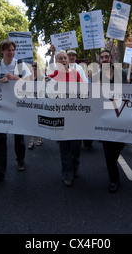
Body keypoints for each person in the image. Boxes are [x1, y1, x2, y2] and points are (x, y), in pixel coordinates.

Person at [0, 40, 31, 187]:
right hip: (1, 107)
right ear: (2, 51)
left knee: (19, 136)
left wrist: (15, 78)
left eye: (12, 50)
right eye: (8, 50)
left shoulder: (20, 65)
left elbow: (28, 81)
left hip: (18, 105)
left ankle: (20, 159)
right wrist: (1, 81)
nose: (11, 53)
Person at [93, 49, 127, 193]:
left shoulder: (121, 73)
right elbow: (93, 98)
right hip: (105, 118)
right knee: (108, 152)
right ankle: (114, 180)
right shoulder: (97, 76)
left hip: (120, 117)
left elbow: (130, 92)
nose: (104, 59)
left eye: (107, 57)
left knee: (118, 147)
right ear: (100, 61)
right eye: (102, 58)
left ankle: (113, 165)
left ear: (111, 59)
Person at [47, 50, 83, 187]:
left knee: (76, 145)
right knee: (64, 146)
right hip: (60, 116)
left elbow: (84, 92)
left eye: (65, 58)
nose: (63, 60)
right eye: (60, 58)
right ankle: (67, 173)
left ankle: (76, 164)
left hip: (75, 116)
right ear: (56, 62)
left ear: (68, 60)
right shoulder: (52, 76)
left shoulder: (76, 74)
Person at [28, 61, 43, 149]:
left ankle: (39, 138)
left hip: (39, 101)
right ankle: (31, 141)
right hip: (29, 102)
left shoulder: (41, 77)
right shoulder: (27, 77)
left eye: (36, 66)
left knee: (38, 121)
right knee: (30, 121)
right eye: (32, 66)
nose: (34, 67)